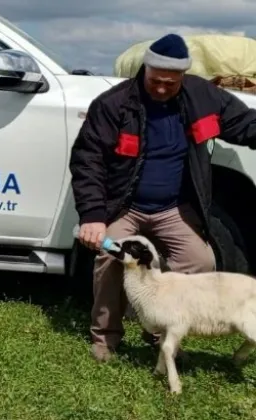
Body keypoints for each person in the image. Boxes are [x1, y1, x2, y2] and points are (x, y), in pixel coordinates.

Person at [69, 33, 256, 362]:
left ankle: (161, 333)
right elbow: (88, 160)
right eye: (156, 80)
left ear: (183, 76)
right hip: (124, 207)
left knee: (200, 262)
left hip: (174, 208)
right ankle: (105, 337)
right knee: (112, 257)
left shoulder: (202, 96)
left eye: (170, 83)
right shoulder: (114, 104)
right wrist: (93, 216)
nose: (161, 88)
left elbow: (244, 124)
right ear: (145, 69)